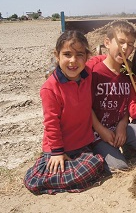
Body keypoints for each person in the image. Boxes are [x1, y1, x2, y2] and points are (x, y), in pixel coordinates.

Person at [24, 31, 104, 195]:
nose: (73, 61)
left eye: (79, 55)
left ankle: (67, 176)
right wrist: (58, 153)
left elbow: (102, 60)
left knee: (93, 164)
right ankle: (51, 175)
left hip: (82, 146)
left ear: (87, 56)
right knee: (34, 180)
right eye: (67, 54)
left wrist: (121, 59)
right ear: (57, 55)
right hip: (60, 149)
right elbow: (51, 123)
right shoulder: (50, 88)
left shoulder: (87, 74)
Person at [90, 20, 136, 173]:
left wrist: (122, 125)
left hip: (118, 127)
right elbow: (86, 107)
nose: (126, 48)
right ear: (107, 43)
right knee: (120, 167)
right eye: (121, 42)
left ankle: (127, 147)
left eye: (130, 44)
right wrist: (101, 130)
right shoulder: (95, 73)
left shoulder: (127, 74)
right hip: (98, 133)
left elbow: (124, 106)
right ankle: (99, 152)